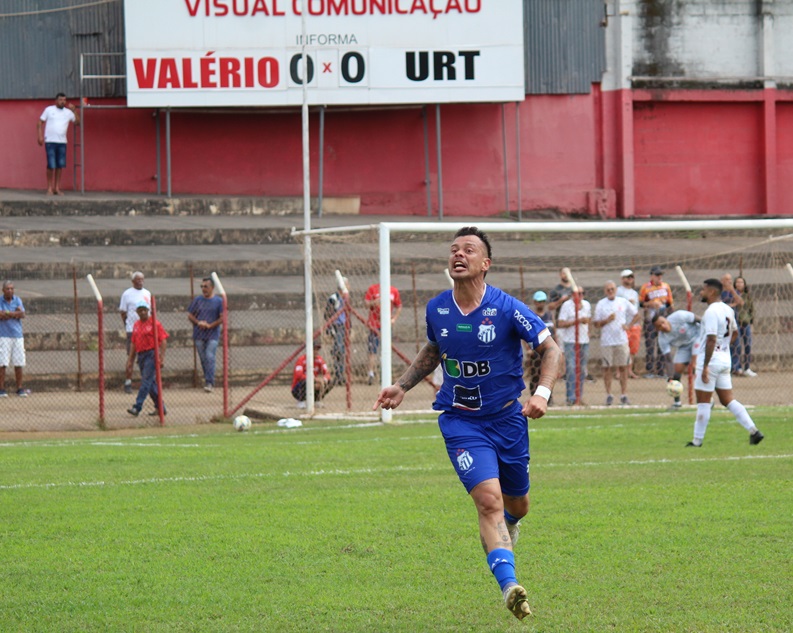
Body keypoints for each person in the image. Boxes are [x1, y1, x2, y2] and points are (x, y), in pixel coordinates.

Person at [373, 227, 562, 621]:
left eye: (469, 250)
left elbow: (551, 349)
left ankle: (508, 527)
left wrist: (542, 392)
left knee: (518, 505)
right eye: (454, 249)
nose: (459, 254)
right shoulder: (437, 308)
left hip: (509, 419)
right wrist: (403, 386)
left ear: (485, 264)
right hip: (460, 421)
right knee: (488, 501)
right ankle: (510, 586)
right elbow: (435, 348)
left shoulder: (508, 308)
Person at [685, 279, 763, 447]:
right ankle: (754, 431)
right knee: (728, 400)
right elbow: (734, 333)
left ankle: (697, 441)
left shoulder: (711, 312)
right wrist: (724, 347)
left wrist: (705, 365)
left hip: (711, 361)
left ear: (712, 292)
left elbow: (711, 339)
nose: (701, 292)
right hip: (724, 360)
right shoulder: (727, 309)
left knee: (704, 401)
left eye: (704, 290)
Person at [593, 281, 639, 406]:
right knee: (607, 368)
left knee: (623, 367)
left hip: (621, 339)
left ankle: (624, 394)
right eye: (608, 289)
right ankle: (609, 394)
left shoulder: (623, 302)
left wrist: (629, 326)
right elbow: (596, 324)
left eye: (612, 289)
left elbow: (636, 314)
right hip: (607, 341)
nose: (610, 291)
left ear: (616, 289)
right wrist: (606, 320)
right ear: (605, 291)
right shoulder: (601, 304)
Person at [652, 310, 701, 408]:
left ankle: (706, 400)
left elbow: (699, 319)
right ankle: (677, 403)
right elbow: (668, 359)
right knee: (676, 372)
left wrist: (709, 331)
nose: (663, 326)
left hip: (698, 337)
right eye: (659, 326)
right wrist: (670, 376)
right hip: (684, 346)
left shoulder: (679, 316)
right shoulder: (662, 339)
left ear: (666, 319)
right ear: (657, 329)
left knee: (696, 365)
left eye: (663, 322)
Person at [126, 302, 168, 417]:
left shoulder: (155, 324)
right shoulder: (136, 325)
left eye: (144, 310)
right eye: (140, 310)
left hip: (151, 354)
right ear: (137, 312)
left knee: (146, 381)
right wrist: (130, 359)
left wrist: (161, 357)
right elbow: (133, 343)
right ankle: (161, 407)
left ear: (148, 310)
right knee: (151, 385)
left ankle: (137, 406)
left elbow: (163, 340)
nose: (143, 312)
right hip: (141, 355)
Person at [37, 93, 80, 196]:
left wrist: (74, 110)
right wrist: (39, 136)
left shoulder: (68, 112)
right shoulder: (49, 110)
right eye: (61, 100)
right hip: (50, 142)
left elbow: (77, 122)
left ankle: (57, 188)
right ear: (56, 100)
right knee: (51, 165)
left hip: (62, 142)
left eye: (64, 100)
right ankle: (49, 188)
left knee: (59, 166)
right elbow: (39, 123)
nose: (63, 102)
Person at [187, 277, 224, 392]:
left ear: (212, 288)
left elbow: (222, 318)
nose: (204, 289)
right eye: (202, 287)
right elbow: (190, 315)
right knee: (203, 359)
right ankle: (208, 379)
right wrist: (198, 322)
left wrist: (210, 325)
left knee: (209, 355)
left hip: (212, 334)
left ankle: (210, 382)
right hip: (199, 334)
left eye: (206, 287)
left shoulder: (218, 301)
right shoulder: (198, 300)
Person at [557, 287, 591, 406]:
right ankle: (571, 397)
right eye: (578, 293)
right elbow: (560, 323)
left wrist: (588, 331)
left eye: (582, 293)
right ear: (572, 295)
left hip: (584, 341)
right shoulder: (567, 305)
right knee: (571, 368)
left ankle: (579, 396)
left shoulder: (586, 305)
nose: (580, 295)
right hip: (570, 341)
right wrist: (577, 321)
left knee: (582, 370)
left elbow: (588, 321)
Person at [639, 265, 674, 378]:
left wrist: (671, 316)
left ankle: (660, 370)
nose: (659, 277)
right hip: (650, 318)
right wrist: (650, 304)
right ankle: (650, 370)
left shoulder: (666, 287)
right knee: (650, 345)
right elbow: (641, 303)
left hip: (663, 317)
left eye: (660, 275)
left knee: (662, 344)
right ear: (652, 276)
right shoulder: (645, 287)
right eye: (657, 275)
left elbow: (670, 303)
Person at [119, 272, 151, 393]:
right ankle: (128, 382)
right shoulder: (127, 294)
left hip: (146, 331)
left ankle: (146, 382)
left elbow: (150, 313)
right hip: (132, 330)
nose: (140, 282)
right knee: (131, 356)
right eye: (138, 280)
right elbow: (123, 312)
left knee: (145, 357)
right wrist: (128, 325)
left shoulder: (147, 293)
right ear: (133, 281)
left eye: (142, 279)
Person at [364, 282, 402, 385]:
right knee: (372, 351)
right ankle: (371, 374)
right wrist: (375, 302)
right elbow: (366, 303)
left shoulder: (393, 290)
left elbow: (399, 305)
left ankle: (385, 373)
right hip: (374, 325)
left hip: (387, 325)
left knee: (386, 350)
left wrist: (394, 318)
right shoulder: (373, 289)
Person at [0, 281, 30, 397]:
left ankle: (20, 388)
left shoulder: (17, 300)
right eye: (7, 289)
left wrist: (7, 313)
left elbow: (22, 314)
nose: (10, 291)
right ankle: (1, 389)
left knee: (19, 363)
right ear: (3, 290)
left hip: (17, 336)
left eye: (12, 289)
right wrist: (14, 313)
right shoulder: (0, 300)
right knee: (2, 363)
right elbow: (0, 315)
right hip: (3, 336)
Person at [526, 291, 555, 400]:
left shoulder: (549, 315)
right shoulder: (531, 316)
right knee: (535, 374)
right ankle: (534, 396)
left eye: (543, 301)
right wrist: (528, 348)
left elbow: (554, 332)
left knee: (548, 374)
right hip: (535, 350)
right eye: (539, 301)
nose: (541, 303)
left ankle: (548, 397)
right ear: (534, 302)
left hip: (548, 350)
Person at [324, 277, 351, 384]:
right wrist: (330, 328)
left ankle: (341, 374)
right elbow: (327, 314)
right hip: (336, 326)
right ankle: (339, 374)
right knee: (338, 350)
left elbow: (348, 314)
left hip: (344, 326)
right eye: (347, 284)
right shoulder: (334, 298)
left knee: (343, 351)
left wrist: (350, 327)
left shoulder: (346, 298)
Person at [616, 269, 642, 379]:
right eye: (627, 277)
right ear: (622, 279)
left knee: (632, 350)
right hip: (623, 324)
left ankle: (629, 370)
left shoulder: (635, 293)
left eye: (631, 277)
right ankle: (619, 371)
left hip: (634, 324)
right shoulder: (618, 291)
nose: (630, 279)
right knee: (621, 349)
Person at [291, 340, 333, 408]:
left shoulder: (320, 360)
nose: (316, 351)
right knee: (305, 382)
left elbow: (327, 373)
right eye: (314, 349)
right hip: (298, 387)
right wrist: (315, 380)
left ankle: (316, 400)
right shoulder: (301, 360)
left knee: (329, 382)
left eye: (317, 349)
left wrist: (324, 379)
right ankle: (301, 401)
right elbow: (299, 376)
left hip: (314, 382)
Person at [731, 276, 757, 377]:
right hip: (735, 322)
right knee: (736, 346)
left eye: (741, 282)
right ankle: (736, 368)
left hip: (745, 322)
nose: (739, 284)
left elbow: (751, 309)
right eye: (737, 282)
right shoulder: (731, 294)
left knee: (748, 345)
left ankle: (747, 367)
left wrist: (751, 322)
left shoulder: (747, 296)